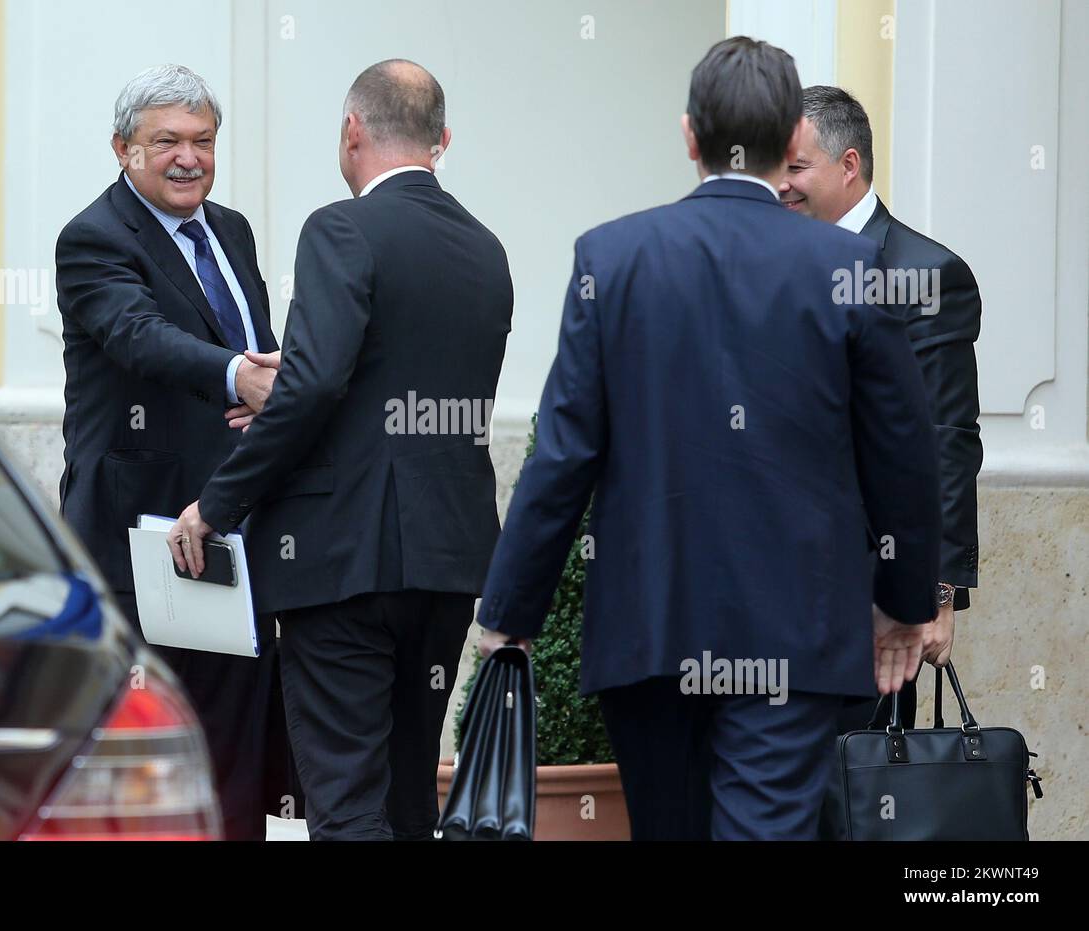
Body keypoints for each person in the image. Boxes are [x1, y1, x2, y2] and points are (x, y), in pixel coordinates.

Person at [476, 37, 942, 840]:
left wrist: (510, 608)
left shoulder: (612, 257)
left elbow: (564, 451)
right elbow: (903, 449)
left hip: (648, 629)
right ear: (795, 139)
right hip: (793, 637)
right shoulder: (850, 265)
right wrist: (905, 601)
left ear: (690, 135)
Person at [168, 60, 514, 840]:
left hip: (343, 562)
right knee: (408, 796)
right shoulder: (485, 250)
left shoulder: (340, 227)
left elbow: (317, 382)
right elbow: (397, 386)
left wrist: (219, 502)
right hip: (448, 560)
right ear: (442, 140)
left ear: (352, 130)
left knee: (346, 798)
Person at [55, 64, 289, 840]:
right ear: (123, 149)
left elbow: (253, 349)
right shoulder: (92, 238)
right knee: (154, 771)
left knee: (238, 763)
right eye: (167, 142)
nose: (189, 157)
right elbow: (140, 336)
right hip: (143, 549)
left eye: (204, 141)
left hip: (234, 531)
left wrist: (275, 390)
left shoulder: (232, 230)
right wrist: (237, 376)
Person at [782, 85, 983, 729]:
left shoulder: (927, 273)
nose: (779, 185)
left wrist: (938, 592)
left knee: (852, 801)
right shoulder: (768, 264)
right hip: (762, 594)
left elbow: (946, 435)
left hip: (870, 603)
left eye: (795, 167)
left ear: (848, 166)